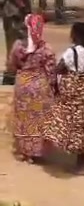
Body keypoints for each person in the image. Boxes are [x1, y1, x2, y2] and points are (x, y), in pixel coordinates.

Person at [43, 21, 84, 174]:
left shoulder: (71, 52)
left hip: (71, 90)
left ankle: (56, 148)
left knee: (63, 120)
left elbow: (58, 69)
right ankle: (81, 163)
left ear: (74, 35)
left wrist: (55, 87)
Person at [7, 13, 56, 163]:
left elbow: (11, 65)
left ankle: (24, 152)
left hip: (23, 85)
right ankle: (37, 152)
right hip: (40, 86)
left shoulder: (18, 46)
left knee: (23, 119)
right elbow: (52, 70)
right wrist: (53, 86)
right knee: (38, 119)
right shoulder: (46, 48)